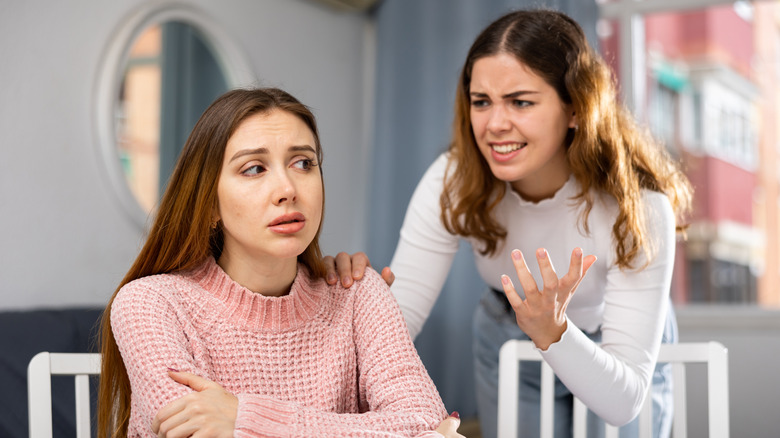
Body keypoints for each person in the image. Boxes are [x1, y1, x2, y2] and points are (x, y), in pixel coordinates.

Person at [325, 8, 692, 438]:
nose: (495, 124)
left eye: (520, 101)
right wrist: (354, 312)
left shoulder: (638, 208)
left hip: (616, 348)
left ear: (575, 108)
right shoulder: (454, 179)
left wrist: (554, 332)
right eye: (482, 102)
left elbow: (622, 402)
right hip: (509, 334)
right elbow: (397, 322)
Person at [96, 87, 464, 438]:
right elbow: (193, 431)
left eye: (303, 163)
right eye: (254, 169)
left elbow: (427, 425)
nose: (288, 189)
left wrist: (245, 419)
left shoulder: (356, 293)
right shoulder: (149, 305)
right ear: (208, 203)